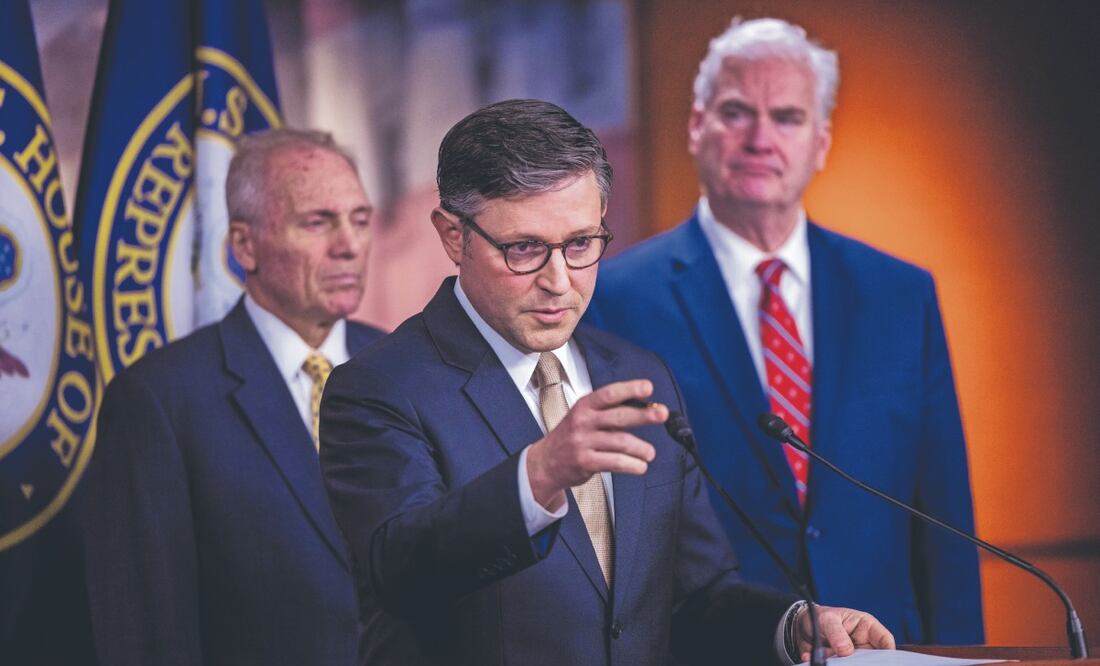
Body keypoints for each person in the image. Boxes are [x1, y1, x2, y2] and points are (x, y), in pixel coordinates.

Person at [319, 99, 895, 665]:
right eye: (524, 248)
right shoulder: (378, 387)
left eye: (580, 244)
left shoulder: (640, 375)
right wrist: (538, 475)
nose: (558, 280)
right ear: (453, 236)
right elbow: (400, 572)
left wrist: (791, 626)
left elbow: (693, 598)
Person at [586, 18, 983, 644]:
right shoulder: (614, 297)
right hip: (708, 650)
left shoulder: (901, 294)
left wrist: (961, 656)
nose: (760, 138)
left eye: (788, 118)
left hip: (885, 650)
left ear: (821, 142)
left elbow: (943, 520)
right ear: (696, 126)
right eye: (737, 112)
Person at [77, 128, 384, 665]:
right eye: (318, 222)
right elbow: (146, 635)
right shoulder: (159, 400)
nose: (349, 245)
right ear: (245, 245)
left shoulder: (402, 367)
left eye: (360, 220)